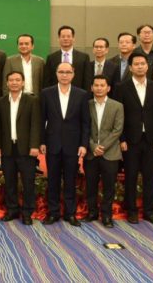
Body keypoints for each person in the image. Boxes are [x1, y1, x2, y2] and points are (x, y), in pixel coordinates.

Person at [112, 52, 153, 225]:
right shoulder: (121, 87)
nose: (140, 67)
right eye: (136, 64)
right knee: (131, 176)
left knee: (150, 176)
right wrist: (122, 139)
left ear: (147, 66)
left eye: (143, 63)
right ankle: (132, 211)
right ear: (130, 67)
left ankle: (149, 211)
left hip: (151, 139)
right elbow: (118, 116)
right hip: (130, 140)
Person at [40, 62, 90, 226]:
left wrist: (83, 144)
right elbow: (41, 120)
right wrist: (42, 141)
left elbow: (85, 122)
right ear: (56, 74)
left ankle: (70, 213)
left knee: (70, 180)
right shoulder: (46, 93)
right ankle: (53, 212)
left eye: (68, 72)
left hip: (73, 145)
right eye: (61, 72)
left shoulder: (81, 94)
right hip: (52, 143)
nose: (64, 75)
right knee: (52, 180)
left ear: (73, 74)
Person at [0, 71, 40, 225]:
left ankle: (27, 212)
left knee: (28, 182)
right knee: (10, 181)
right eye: (11, 80)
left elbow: (36, 124)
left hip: (27, 149)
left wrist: (34, 145)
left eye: (17, 80)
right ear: (7, 83)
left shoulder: (32, 100)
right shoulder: (0, 102)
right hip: (7, 148)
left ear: (23, 82)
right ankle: (12, 209)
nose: (14, 83)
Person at [83, 75, 123, 228]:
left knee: (109, 187)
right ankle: (92, 212)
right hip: (91, 153)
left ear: (108, 88)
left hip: (110, 153)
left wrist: (102, 147)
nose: (99, 88)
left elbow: (117, 130)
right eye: (96, 85)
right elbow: (83, 128)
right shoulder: (86, 105)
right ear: (91, 88)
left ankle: (107, 216)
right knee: (90, 185)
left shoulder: (117, 106)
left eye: (102, 85)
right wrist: (93, 146)